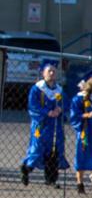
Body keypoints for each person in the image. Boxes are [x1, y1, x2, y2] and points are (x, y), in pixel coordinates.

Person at [21, 59, 66, 187]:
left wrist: (60, 109)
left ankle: (51, 179)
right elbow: (33, 106)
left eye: (54, 71)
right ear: (43, 73)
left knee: (54, 150)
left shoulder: (59, 89)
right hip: (41, 125)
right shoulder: (37, 89)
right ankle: (25, 169)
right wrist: (47, 112)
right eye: (49, 71)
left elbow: (65, 103)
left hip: (55, 126)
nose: (52, 73)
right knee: (37, 148)